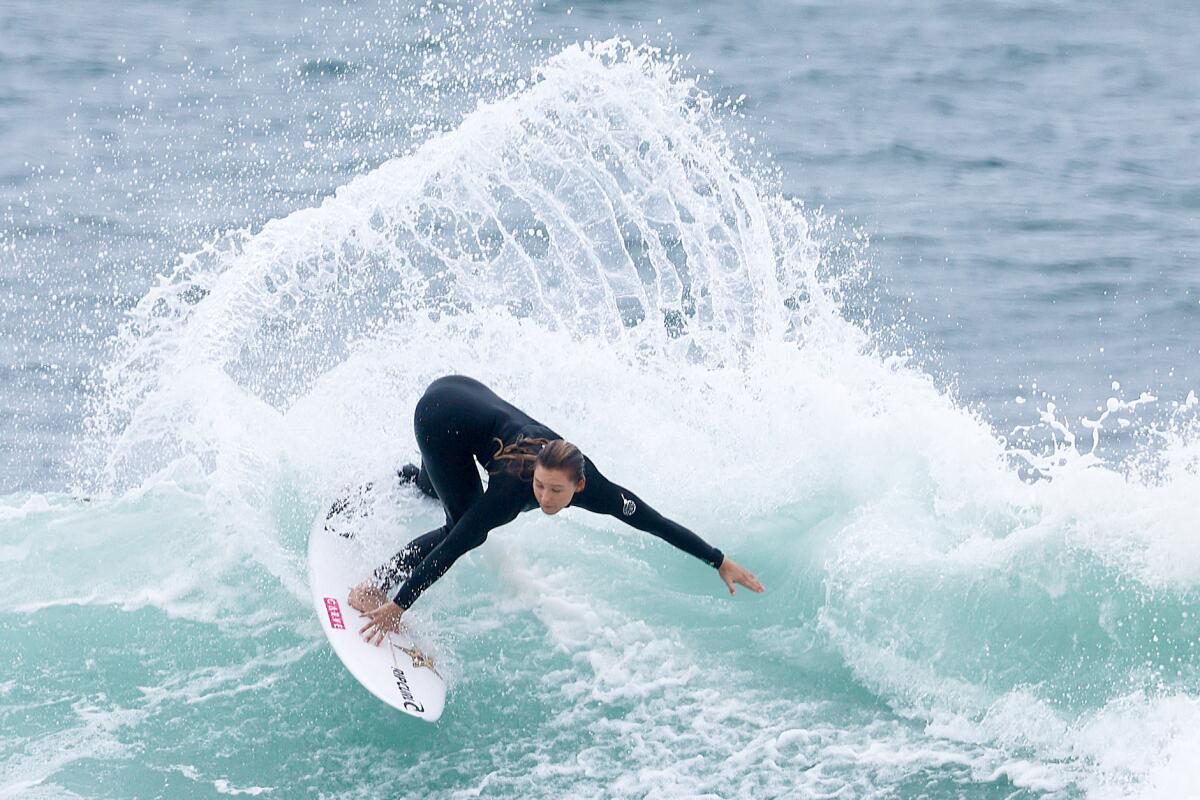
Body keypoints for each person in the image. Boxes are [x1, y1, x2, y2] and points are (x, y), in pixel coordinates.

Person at [350, 375, 764, 645]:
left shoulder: (596, 488)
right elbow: (456, 545)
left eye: (555, 491)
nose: (545, 497)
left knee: (450, 487)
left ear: (578, 487)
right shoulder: (512, 489)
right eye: (540, 487)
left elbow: (653, 522)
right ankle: (375, 585)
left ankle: (416, 477)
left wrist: (719, 560)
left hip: (466, 398)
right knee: (465, 522)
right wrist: (399, 604)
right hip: (441, 414)